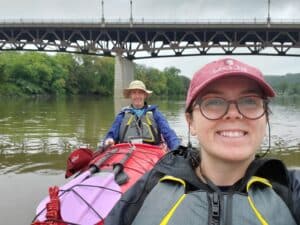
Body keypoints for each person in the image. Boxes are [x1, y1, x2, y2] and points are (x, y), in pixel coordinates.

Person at [105, 58, 300, 225]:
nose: (233, 114)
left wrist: (174, 150)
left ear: (266, 116)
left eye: (249, 101)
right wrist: (108, 140)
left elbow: (167, 133)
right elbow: (113, 132)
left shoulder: (290, 189)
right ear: (190, 122)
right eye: (214, 102)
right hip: (129, 149)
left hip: (150, 150)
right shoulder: (148, 186)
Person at [103, 80, 180, 150]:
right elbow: (112, 134)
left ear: (145, 95)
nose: (137, 96)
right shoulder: (122, 114)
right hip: (126, 151)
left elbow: (169, 133)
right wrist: (109, 140)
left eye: (140, 93)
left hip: (152, 153)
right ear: (130, 95)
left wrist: (176, 147)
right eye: (134, 93)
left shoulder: (155, 113)